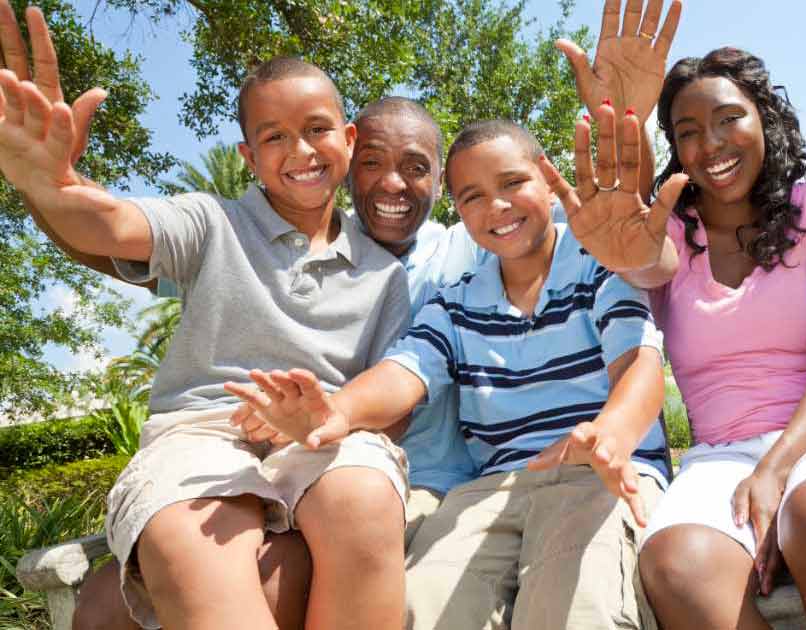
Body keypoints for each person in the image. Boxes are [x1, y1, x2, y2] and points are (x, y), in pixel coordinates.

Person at [0, 8, 414, 624]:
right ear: (248, 156)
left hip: (326, 436)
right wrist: (47, 187)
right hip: (202, 433)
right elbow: (110, 224)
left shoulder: (386, 275)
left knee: (364, 494)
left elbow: (394, 402)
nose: (300, 150)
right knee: (189, 531)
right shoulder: (208, 221)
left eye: (318, 129)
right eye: (274, 137)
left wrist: (326, 417)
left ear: (349, 140)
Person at [227, 118, 676, 630]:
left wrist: (612, 434)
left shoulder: (598, 264)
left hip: (598, 476)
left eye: (512, 184)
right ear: (458, 211)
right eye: (473, 197)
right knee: (424, 603)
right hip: (493, 488)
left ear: (547, 182)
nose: (498, 207)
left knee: (575, 607)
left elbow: (639, 364)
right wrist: (339, 410)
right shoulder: (457, 300)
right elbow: (406, 371)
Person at [542, 45, 806, 629]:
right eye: (688, 131)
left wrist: (775, 469)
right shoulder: (667, 230)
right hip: (719, 459)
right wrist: (626, 121)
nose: (711, 143)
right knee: (675, 563)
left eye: (728, 119)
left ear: (763, 116)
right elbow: (646, 261)